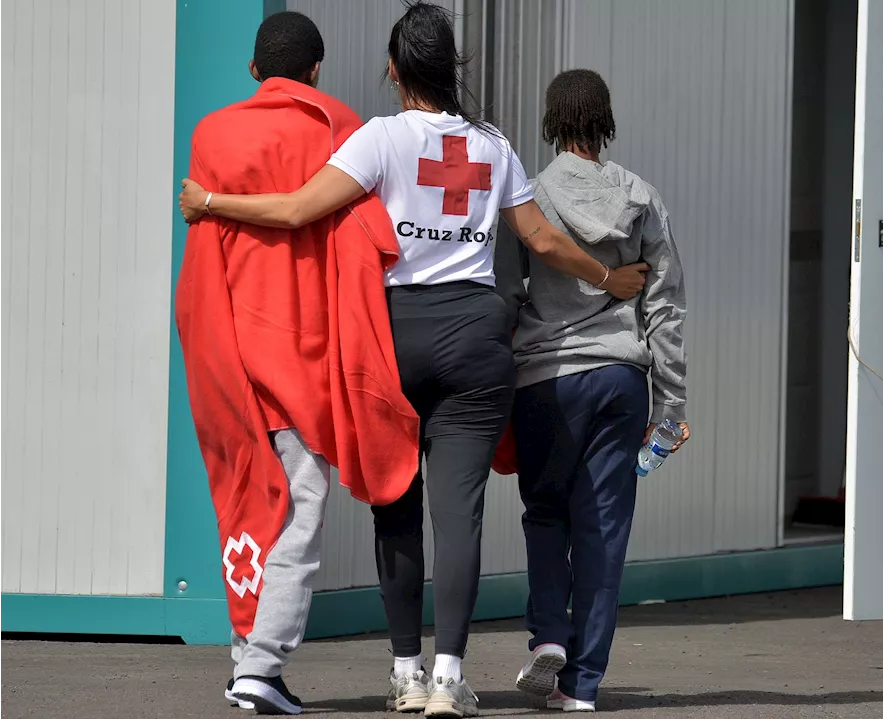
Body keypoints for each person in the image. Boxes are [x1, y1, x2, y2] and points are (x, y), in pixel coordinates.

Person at [178, 4, 649, 717]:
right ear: (449, 66)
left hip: (391, 340)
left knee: (395, 506)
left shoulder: (378, 139)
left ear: (394, 71)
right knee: (458, 515)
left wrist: (211, 200)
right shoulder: (492, 145)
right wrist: (609, 278)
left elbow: (299, 209)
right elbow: (544, 242)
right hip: (475, 338)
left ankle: (404, 670)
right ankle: (449, 678)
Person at [174, 11, 420, 716]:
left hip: (230, 345)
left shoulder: (212, 133)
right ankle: (260, 664)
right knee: (299, 506)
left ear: (255, 71)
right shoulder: (342, 126)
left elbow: (203, 254)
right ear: (315, 71)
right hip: (306, 350)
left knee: (249, 496)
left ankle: (244, 653)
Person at [499, 69, 690, 713]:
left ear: (552, 121)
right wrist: (671, 406)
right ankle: (581, 688)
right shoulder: (639, 195)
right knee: (604, 528)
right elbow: (665, 308)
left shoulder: (530, 197)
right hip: (619, 378)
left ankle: (549, 635)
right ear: (605, 119)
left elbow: (505, 292)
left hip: (547, 380)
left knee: (546, 512)